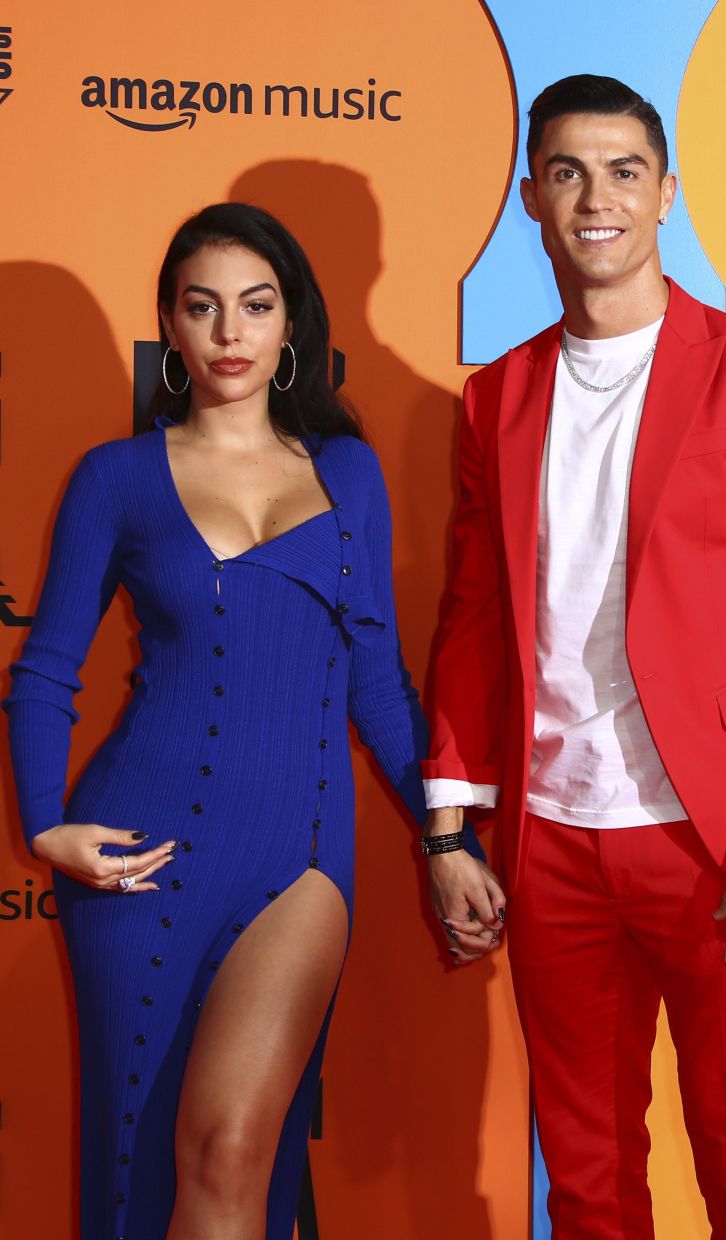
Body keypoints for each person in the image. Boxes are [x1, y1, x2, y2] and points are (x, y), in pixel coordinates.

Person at [419, 75, 726, 1238]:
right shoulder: (497, 395)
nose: (597, 197)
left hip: (716, 835)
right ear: (530, 198)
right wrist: (451, 824)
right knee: (586, 1178)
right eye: (567, 171)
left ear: (668, 192)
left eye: (625, 170)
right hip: (554, 841)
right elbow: (472, 616)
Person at [3, 201, 462, 1240]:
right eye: (201, 307)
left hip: (299, 857)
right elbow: (44, 673)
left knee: (231, 1143)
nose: (229, 334)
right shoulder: (115, 478)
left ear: (291, 322)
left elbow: (377, 681)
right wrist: (44, 821)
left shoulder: (346, 473)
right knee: (135, 1165)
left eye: (255, 306)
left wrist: (448, 832)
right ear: (167, 322)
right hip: (141, 851)